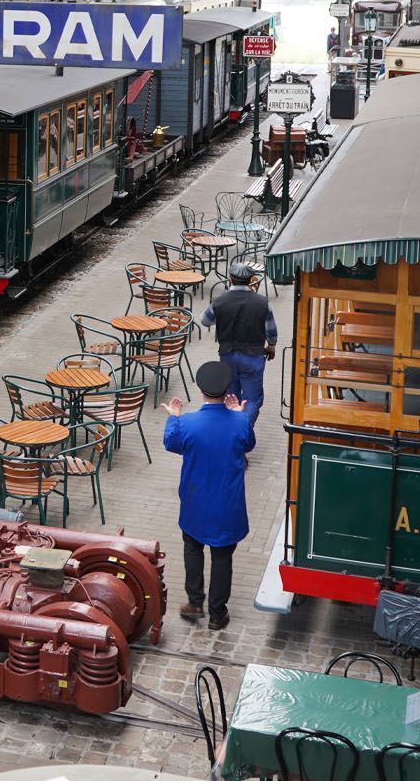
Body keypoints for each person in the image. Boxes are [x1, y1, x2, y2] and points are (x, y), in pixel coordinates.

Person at [163, 361, 255, 629]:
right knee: (223, 557)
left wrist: (174, 416)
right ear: (227, 389)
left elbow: (171, 443)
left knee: (192, 548)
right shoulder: (240, 421)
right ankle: (217, 613)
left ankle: (195, 602)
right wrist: (239, 413)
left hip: (195, 500)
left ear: (201, 389)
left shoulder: (188, 423)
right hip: (228, 504)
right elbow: (248, 443)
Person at [201, 260, 277, 430]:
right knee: (251, 399)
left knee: (230, 397)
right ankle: (242, 433)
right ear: (252, 280)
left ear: (230, 279)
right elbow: (271, 331)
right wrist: (271, 347)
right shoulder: (262, 303)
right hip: (253, 357)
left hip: (227, 356)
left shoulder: (220, 301)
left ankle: (230, 434)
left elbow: (205, 321)